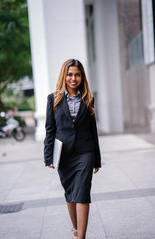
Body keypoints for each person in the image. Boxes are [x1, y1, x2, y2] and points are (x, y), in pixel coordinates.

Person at [44, 59, 101, 239]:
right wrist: (49, 157)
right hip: (64, 154)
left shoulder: (88, 98)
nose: (73, 78)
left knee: (82, 192)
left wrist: (97, 159)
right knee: (70, 192)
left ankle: (81, 237)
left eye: (77, 74)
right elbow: (50, 129)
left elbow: (93, 131)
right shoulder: (53, 99)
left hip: (85, 152)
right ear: (64, 76)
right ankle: (76, 230)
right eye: (70, 74)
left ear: (82, 76)